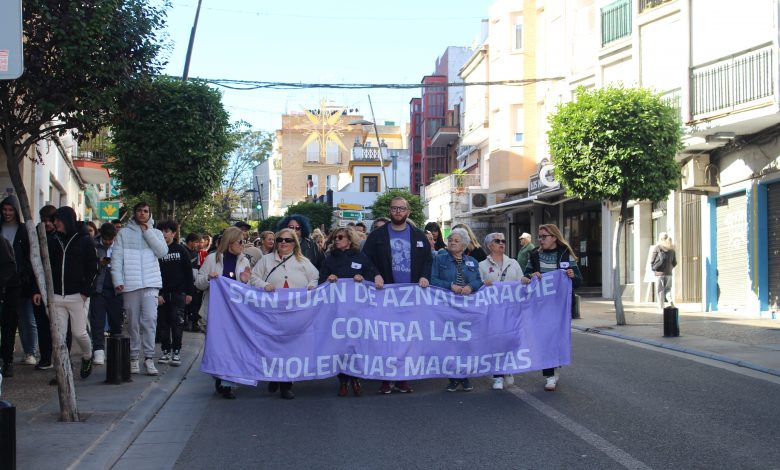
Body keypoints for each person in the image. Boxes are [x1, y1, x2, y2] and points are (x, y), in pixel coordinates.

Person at [362, 196, 432, 394]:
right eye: (394, 208)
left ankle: (403, 378)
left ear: (408, 212)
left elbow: (428, 260)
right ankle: (386, 378)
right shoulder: (377, 236)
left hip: (411, 296)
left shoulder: (418, 236)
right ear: (390, 211)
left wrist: (425, 276)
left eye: (402, 209)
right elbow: (365, 259)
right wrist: (375, 275)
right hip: (385, 295)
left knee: (407, 338)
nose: (398, 212)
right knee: (386, 338)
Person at [249, 227, 319, 400]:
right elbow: (253, 277)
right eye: (280, 240)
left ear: (294, 243)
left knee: (291, 347)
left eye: (288, 240)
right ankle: (275, 376)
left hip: (296, 312)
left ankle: (286, 384)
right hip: (272, 312)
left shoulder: (303, 261)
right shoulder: (266, 260)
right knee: (273, 344)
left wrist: (312, 285)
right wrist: (264, 285)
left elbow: (315, 277)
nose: (283, 243)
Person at [33, 206, 98, 379]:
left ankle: (87, 355)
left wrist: (85, 292)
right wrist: (41, 290)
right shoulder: (54, 239)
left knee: (79, 333)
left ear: (66, 220)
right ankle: (63, 372)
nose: (54, 223)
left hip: (77, 295)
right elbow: (44, 266)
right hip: (56, 296)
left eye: (57, 220)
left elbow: (93, 267)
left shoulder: (85, 240)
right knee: (59, 337)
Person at [319, 227, 384, 397]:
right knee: (340, 346)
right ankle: (343, 381)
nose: (336, 240)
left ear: (349, 239)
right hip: (337, 311)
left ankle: (355, 378)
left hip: (357, 311)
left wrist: (363, 278)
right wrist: (328, 279)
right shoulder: (330, 258)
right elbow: (321, 281)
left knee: (356, 344)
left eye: (340, 237)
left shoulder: (360, 257)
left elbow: (372, 276)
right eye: (334, 237)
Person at [521, 224, 582, 392]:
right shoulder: (534, 254)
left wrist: (572, 275)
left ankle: (554, 367)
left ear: (554, 237)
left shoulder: (565, 254)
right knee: (544, 338)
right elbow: (526, 276)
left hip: (560, 306)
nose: (540, 240)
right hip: (540, 306)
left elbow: (578, 281)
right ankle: (549, 375)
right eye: (539, 237)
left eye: (544, 236)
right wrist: (530, 276)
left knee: (555, 339)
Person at [111, 202, 168, 376]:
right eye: (139, 211)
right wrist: (117, 280)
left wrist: (148, 232)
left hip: (151, 283)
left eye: (145, 211)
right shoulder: (123, 233)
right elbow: (116, 258)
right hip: (130, 284)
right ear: (134, 213)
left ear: (149, 214)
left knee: (150, 319)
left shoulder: (156, 233)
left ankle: (149, 358)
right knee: (133, 322)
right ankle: (134, 357)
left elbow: (162, 252)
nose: (142, 213)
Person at [194, 227, 252, 399]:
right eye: (240, 241)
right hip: (216, 312)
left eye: (244, 241)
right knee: (218, 348)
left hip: (236, 314)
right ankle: (219, 376)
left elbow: (247, 291)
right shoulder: (212, 259)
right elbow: (198, 283)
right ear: (230, 242)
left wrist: (245, 281)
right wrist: (209, 278)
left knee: (233, 347)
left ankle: (228, 384)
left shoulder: (244, 261)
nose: (243, 245)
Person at [430, 228, 483, 392]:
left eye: (456, 241)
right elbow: (432, 279)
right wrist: (450, 286)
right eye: (450, 240)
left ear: (464, 245)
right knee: (450, 342)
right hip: (446, 307)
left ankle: (464, 376)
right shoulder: (439, 259)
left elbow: (478, 281)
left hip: (466, 308)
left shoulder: (472, 261)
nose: (452, 242)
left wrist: (470, 287)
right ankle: (453, 377)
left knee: (465, 342)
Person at [479, 232, 523, 390]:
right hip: (492, 311)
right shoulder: (482, 265)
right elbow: (478, 286)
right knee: (496, 342)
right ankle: (497, 376)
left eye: (503, 241)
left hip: (511, 310)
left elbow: (521, 283)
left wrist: (526, 281)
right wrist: (483, 283)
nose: (501, 243)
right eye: (497, 241)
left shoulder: (513, 263)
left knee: (510, 341)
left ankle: (508, 369)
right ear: (489, 245)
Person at [0, 195, 36, 377]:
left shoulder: (23, 230)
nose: (7, 213)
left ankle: (9, 360)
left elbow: (29, 255)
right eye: (4, 209)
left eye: (10, 210)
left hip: (15, 282)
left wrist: (26, 277)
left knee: (11, 321)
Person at [156, 220, 194, 368]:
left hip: (179, 294)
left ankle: (176, 351)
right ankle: (165, 351)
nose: (164, 234)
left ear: (173, 233)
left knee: (177, 324)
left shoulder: (181, 250)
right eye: (161, 231)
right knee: (163, 324)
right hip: (162, 294)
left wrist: (189, 293)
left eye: (167, 231)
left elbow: (188, 272)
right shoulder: (156, 251)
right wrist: (157, 293)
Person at [88, 223, 123, 366]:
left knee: (116, 322)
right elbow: (87, 263)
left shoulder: (120, 246)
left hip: (116, 289)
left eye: (110, 239)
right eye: (105, 239)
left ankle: (116, 351)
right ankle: (98, 350)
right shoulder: (93, 245)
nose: (108, 242)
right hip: (98, 288)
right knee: (97, 321)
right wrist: (98, 263)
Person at [32, 205, 59, 370]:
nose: (47, 224)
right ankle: (45, 357)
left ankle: (59, 357)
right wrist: (36, 289)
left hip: (58, 288)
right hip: (39, 286)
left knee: (59, 325)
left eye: (50, 220)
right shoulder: (35, 235)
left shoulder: (61, 235)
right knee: (42, 324)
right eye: (44, 220)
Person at [183, 233, 204, 332]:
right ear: (190, 242)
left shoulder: (196, 253)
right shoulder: (183, 251)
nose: (198, 244)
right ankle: (184, 322)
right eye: (196, 242)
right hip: (184, 281)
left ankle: (193, 323)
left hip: (194, 282)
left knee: (195, 302)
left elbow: (197, 267)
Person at [650, 232, 677, 309]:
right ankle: (670, 300)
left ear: (660, 238)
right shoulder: (672, 249)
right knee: (668, 289)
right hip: (669, 273)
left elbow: (652, 260)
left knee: (660, 290)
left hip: (659, 273)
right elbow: (675, 263)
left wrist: (653, 267)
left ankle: (661, 307)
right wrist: (669, 268)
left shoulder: (658, 248)